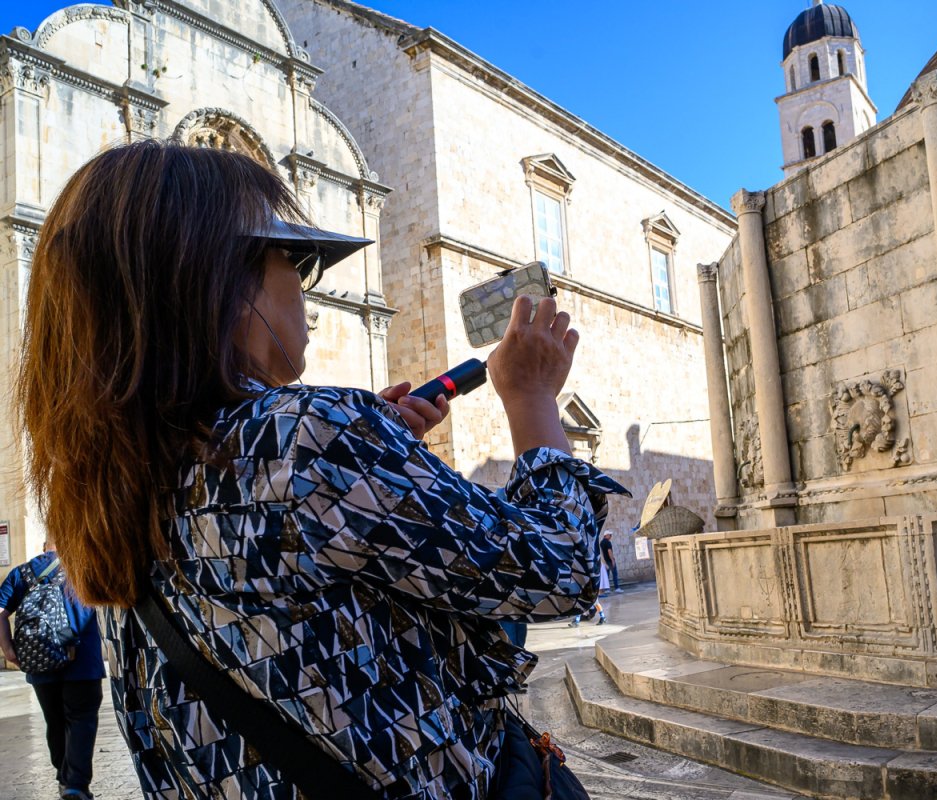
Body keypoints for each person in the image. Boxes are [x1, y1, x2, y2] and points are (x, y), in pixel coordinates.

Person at [15, 141, 625, 799]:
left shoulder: (115, 493)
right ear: (218, 277)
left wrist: (373, 455)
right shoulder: (307, 439)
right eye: (296, 260)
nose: (309, 290)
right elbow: (561, 568)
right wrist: (531, 398)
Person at [0, 542, 104, 800]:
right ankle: (75, 785)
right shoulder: (87, 565)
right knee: (81, 719)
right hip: (82, 662)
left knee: (54, 720)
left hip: (39, 660)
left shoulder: (22, 573)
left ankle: (64, 778)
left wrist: (9, 650)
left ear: (45, 546)